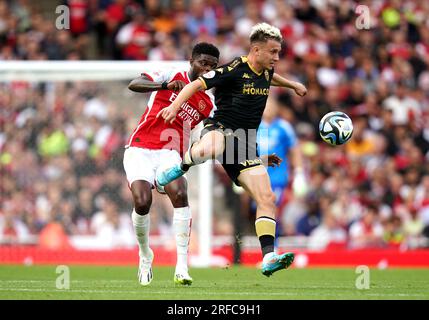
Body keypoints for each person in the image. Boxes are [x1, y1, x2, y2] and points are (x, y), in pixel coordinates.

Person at [156, 23, 307, 277]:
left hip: (246, 145)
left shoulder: (267, 71)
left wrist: (292, 85)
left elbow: (273, 79)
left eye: (278, 52)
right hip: (220, 129)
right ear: (256, 50)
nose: (277, 57)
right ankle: (179, 167)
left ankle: (268, 256)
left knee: (267, 198)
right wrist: (174, 107)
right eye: (273, 52)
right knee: (215, 145)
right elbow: (196, 85)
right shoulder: (235, 69)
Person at [123, 42, 220, 286]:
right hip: (140, 147)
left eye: (212, 66)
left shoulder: (208, 103)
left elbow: (211, 133)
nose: (207, 69)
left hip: (170, 154)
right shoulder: (170, 73)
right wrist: (164, 86)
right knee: (142, 201)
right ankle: (145, 254)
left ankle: (182, 267)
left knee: (180, 192)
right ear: (192, 61)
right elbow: (134, 84)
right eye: (203, 63)